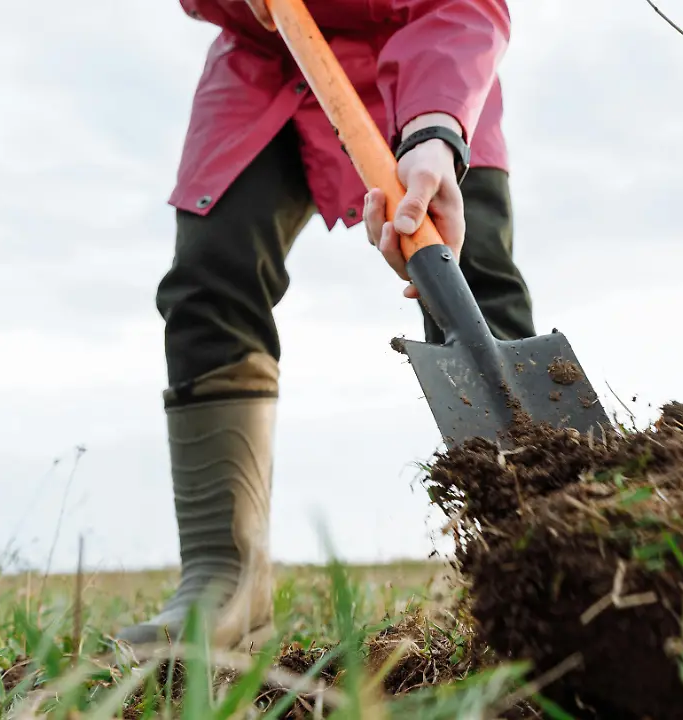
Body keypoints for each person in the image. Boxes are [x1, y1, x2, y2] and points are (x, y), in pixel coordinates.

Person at [115, 0, 531, 649]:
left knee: (472, 278)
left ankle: (538, 555)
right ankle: (225, 584)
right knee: (211, 274)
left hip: (428, 54)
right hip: (267, 60)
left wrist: (435, 129)